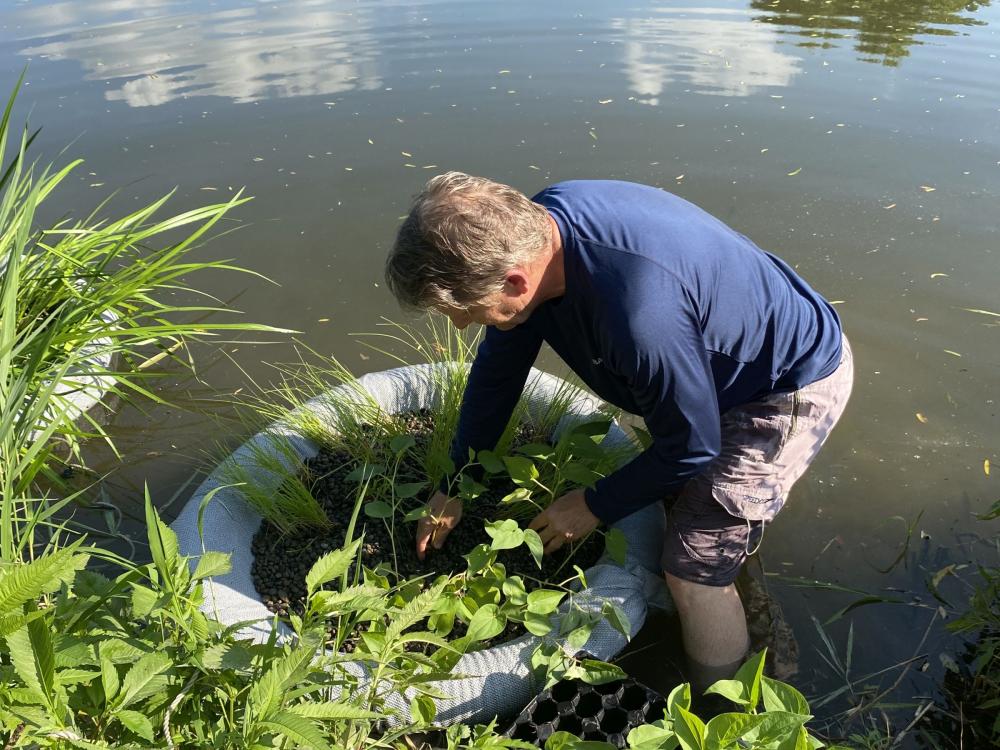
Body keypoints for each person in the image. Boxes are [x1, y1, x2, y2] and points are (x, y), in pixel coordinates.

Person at [383, 172, 853, 694]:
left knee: (692, 569)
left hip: (782, 385)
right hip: (708, 356)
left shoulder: (638, 314)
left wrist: (592, 504)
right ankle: (731, 558)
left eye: (464, 312)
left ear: (516, 281)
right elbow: (498, 374)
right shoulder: (532, 232)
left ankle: (719, 712)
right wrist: (457, 480)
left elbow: (694, 446)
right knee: (681, 499)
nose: (462, 327)